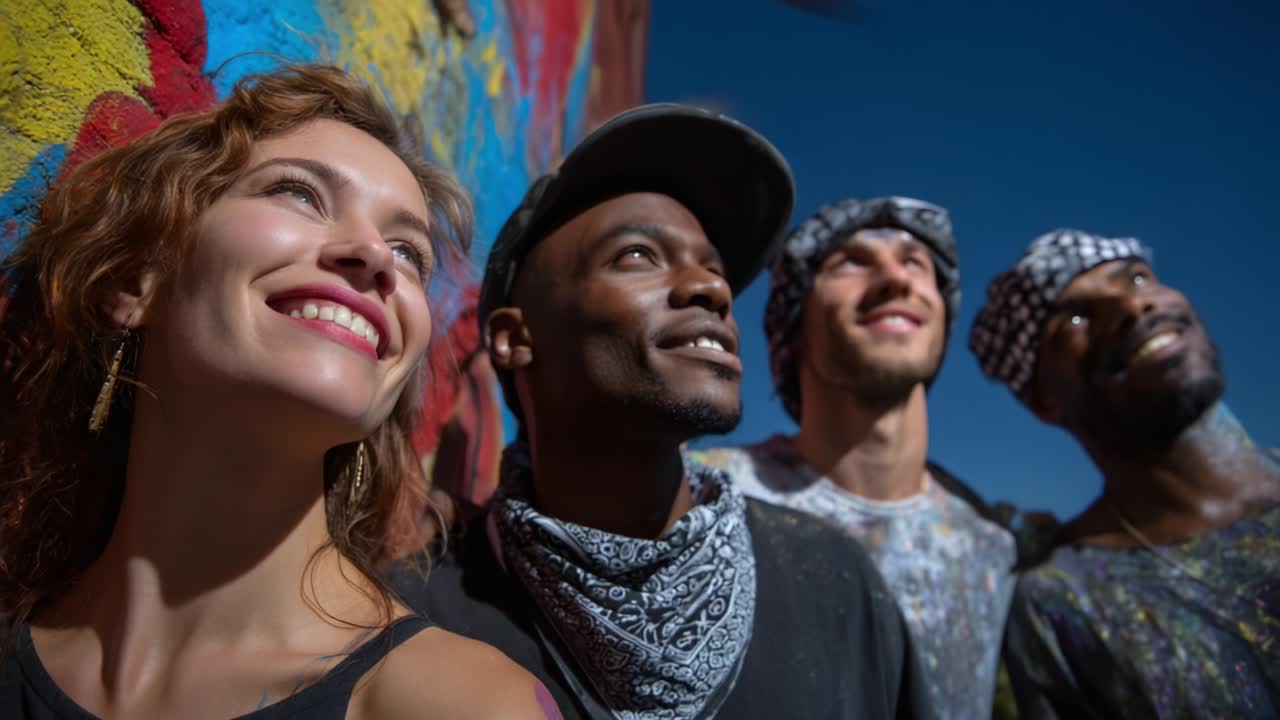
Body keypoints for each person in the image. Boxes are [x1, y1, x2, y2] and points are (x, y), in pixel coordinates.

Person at [0, 65, 556, 719]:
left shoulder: (460, 704)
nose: (376, 257)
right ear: (137, 281)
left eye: (409, 252)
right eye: (298, 193)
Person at [393, 105, 932, 719]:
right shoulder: (417, 614)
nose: (712, 290)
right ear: (516, 339)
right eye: (638, 256)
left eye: (715, 269)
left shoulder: (833, 581)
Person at [693, 197, 1017, 718]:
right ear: (795, 324)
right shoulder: (700, 498)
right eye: (851, 261)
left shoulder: (992, 550)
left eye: (916, 262)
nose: (895, 279)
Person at [970, 229, 1280, 718]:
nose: (1133, 308)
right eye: (1075, 316)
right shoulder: (1062, 604)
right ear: (1042, 400)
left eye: (1137, 278)